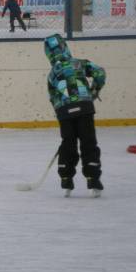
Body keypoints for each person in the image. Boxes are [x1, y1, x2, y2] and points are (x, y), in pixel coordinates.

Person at [44, 33, 106, 197]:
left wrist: (61, 112)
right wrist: (94, 91)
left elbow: (53, 97)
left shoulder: (52, 75)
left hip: (65, 112)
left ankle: (66, 178)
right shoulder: (79, 63)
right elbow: (99, 73)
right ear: (65, 47)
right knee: (88, 142)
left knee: (68, 142)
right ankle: (93, 178)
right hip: (85, 108)